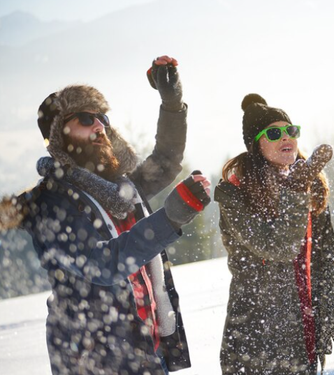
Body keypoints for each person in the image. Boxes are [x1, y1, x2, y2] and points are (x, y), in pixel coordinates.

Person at [0, 55, 211, 374]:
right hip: (95, 361)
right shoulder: (50, 202)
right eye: (85, 118)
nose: (99, 125)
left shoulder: (123, 189)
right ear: (59, 136)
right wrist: (169, 219)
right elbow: (102, 264)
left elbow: (166, 160)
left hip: (147, 351)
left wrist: (171, 101)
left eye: (102, 118)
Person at [213, 94, 334, 375]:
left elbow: (325, 265)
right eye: (274, 132)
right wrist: (296, 192)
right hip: (256, 345)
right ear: (255, 145)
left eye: (291, 130)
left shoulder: (310, 187)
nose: (286, 137)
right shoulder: (234, 194)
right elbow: (278, 247)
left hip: (302, 339)